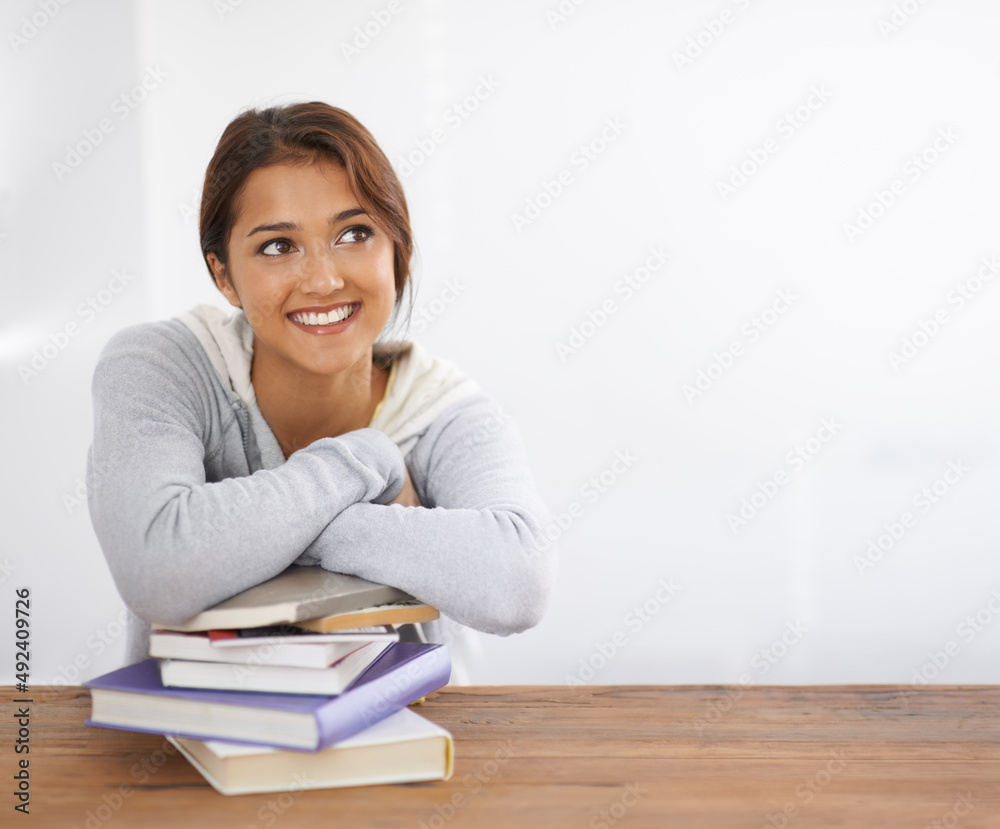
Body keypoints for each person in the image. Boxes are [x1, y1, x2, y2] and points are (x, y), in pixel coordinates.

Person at [86, 102, 557, 677]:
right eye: (278, 246)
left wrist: (236, 535)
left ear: (397, 252)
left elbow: (518, 584)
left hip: (409, 746)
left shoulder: (446, 411)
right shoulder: (160, 366)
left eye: (354, 233)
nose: (325, 280)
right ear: (223, 275)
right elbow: (156, 569)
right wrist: (367, 459)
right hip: (193, 754)